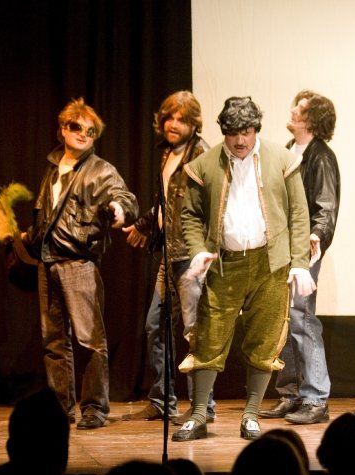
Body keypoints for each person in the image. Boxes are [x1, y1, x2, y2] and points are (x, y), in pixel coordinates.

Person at [172, 95, 315, 442]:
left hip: (271, 264)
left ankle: (251, 415)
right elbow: (189, 215)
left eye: (246, 132)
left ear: (256, 130)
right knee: (209, 338)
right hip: (225, 264)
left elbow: (299, 214)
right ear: (224, 131)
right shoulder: (204, 164)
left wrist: (299, 263)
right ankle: (199, 414)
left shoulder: (282, 160)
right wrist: (198, 251)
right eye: (233, 132)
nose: (240, 140)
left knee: (265, 340)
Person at [21, 97, 138, 429]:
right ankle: (60, 408)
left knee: (90, 340)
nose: (83, 133)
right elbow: (47, 216)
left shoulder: (101, 170)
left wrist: (119, 210)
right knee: (54, 343)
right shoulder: (52, 168)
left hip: (79, 263)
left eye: (90, 130)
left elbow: (126, 199)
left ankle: (95, 408)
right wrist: (29, 237)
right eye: (76, 127)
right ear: (63, 129)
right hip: (47, 262)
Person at [121, 90, 215, 423]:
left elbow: (207, 206)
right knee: (156, 326)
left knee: (194, 331)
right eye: (169, 118)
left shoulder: (201, 154)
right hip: (170, 253)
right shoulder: (168, 153)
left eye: (181, 119)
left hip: (190, 255)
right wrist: (145, 224)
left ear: (194, 124)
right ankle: (163, 400)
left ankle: (203, 406)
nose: (173, 124)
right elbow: (168, 202)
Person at [260, 90, 340, 424]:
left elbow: (326, 205)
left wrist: (316, 235)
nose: (292, 110)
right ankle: (292, 394)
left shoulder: (320, 156)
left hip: (304, 250)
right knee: (285, 319)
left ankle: (316, 397)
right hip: (282, 247)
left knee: (302, 318)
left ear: (313, 120)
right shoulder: (290, 150)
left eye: (301, 108)